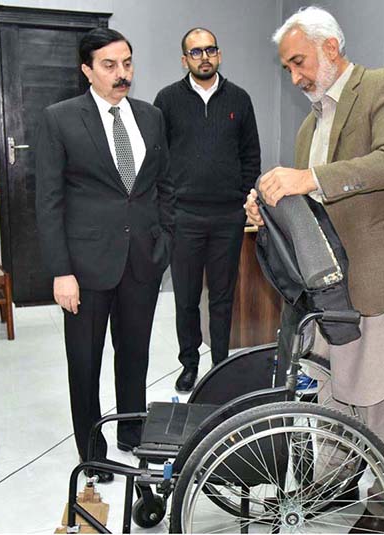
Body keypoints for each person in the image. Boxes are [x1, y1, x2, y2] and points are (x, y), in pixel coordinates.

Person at [245, 6, 384, 531]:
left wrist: (308, 178)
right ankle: (336, 477)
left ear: (331, 48)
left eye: (298, 62)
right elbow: (311, 202)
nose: (295, 76)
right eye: (287, 67)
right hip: (333, 284)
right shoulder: (310, 124)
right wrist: (269, 208)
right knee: (335, 387)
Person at [35, 28, 174, 481]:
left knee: (134, 355)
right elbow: (49, 200)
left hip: (142, 260)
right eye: (110, 65)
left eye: (127, 63)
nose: (122, 74)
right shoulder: (60, 119)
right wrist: (61, 271)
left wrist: (164, 239)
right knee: (86, 361)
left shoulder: (151, 116)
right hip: (85, 267)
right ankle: (92, 450)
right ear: (87, 70)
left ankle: (132, 434)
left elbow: (163, 183)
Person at [153, 28, 260, 393]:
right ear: (184, 59)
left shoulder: (240, 100)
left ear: (219, 54)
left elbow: (251, 156)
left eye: (210, 50)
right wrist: (167, 210)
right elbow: (159, 158)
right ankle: (189, 362)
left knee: (222, 295)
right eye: (195, 52)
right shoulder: (166, 100)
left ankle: (220, 363)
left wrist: (245, 199)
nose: (204, 57)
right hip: (183, 217)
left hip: (227, 216)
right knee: (184, 296)